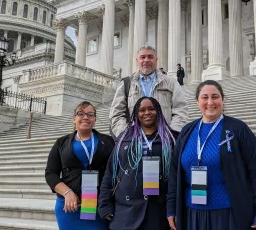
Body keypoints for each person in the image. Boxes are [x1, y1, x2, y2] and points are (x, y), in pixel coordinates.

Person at [167, 80, 256, 230]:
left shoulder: (238, 129)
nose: (210, 102)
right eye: (205, 97)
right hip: (191, 214)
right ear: (197, 101)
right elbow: (174, 172)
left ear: (223, 100)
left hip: (228, 214)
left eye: (215, 97)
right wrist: (172, 206)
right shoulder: (187, 131)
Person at [99, 97, 179, 230]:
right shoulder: (124, 139)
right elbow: (110, 173)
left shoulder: (171, 139)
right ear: (136, 114)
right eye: (142, 110)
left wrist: (173, 209)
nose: (147, 112)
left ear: (158, 111)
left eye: (151, 109)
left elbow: (176, 178)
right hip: (125, 213)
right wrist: (104, 204)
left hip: (158, 212)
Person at [45, 101, 115, 230]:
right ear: (74, 119)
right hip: (69, 205)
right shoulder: (61, 143)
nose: (85, 117)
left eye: (90, 114)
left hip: (98, 204)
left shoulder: (108, 141)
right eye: (80, 114)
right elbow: (50, 173)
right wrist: (67, 192)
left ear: (95, 119)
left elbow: (115, 171)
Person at [110, 45, 187, 139]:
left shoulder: (171, 82)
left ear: (156, 60)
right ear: (137, 60)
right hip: (134, 140)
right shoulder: (126, 83)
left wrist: (172, 134)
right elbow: (116, 113)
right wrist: (127, 136)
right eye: (142, 57)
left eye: (150, 57)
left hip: (164, 139)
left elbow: (180, 109)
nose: (146, 60)